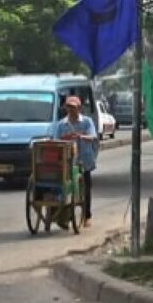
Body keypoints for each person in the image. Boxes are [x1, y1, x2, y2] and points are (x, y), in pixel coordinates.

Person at [55, 95, 97, 227]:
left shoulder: (87, 121)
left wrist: (81, 136)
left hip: (84, 160)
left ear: (79, 108)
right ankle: (65, 216)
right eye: (69, 107)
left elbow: (92, 136)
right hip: (67, 161)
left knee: (86, 188)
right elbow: (56, 141)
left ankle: (87, 216)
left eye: (73, 107)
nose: (71, 110)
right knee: (66, 188)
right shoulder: (61, 124)